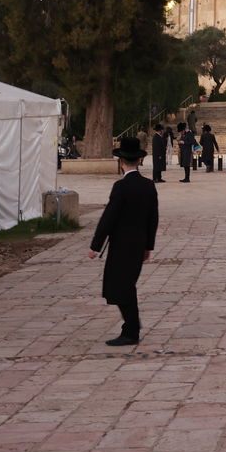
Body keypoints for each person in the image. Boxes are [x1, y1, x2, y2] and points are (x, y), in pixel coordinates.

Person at [88, 137, 159, 345]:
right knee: (126, 285)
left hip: (121, 245)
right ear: (139, 161)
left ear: (121, 162)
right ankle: (131, 326)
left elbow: (108, 218)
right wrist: (148, 246)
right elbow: (153, 219)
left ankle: (131, 330)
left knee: (121, 286)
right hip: (138, 244)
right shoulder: (148, 185)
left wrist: (95, 246)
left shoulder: (121, 186)